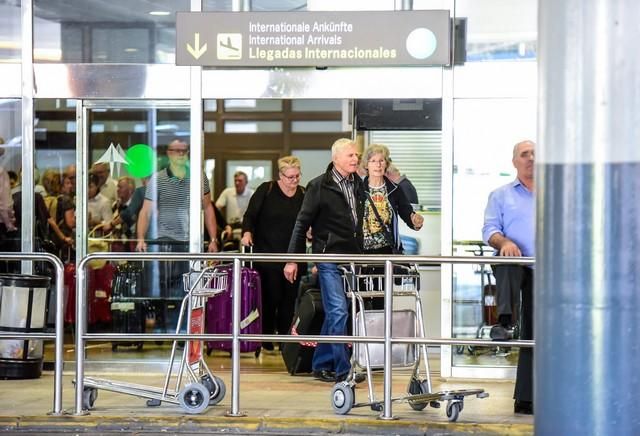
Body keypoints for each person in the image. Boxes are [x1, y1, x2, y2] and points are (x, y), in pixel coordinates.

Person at [284, 138, 365, 383]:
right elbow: (301, 224)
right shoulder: (318, 186)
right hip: (328, 256)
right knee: (339, 311)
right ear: (336, 158)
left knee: (336, 313)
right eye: (350, 155)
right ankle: (343, 370)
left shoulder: (358, 184)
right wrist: (292, 259)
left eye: (356, 155)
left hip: (352, 257)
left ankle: (320, 363)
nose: (355, 159)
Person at [482, 139, 535, 415]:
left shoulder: (554, 193)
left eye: (535, 154)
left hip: (546, 268)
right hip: (514, 265)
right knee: (508, 260)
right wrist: (503, 242)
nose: (531, 159)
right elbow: (490, 230)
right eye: (525, 154)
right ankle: (504, 322)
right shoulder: (501, 195)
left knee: (536, 331)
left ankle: (527, 400)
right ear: (515, 161)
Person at [136, 139, 219, 298]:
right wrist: (140, 239)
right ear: (169, 154)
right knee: (166, 287)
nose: (181, 154)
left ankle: (187, 319)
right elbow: (146, 211)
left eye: (184, 150)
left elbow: (208, 208)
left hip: (192, 241)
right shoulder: (158, 178)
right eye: (177, 150)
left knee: (190, 287)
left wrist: (213, 239)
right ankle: (168, 318)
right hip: (165, 241)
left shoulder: (198, 176)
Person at [241, 156, 306, 351]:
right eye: (290, 177)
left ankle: (286, 338)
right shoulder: (267, 189)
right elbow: (250, 214)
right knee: (270, 297)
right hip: (267, 253)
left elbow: (310, 219)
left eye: (297, 176)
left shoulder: (303, 194)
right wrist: (247, 232)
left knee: (289, 299)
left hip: (293, 254)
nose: (294, 180)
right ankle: (267, 335)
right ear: (280, 175)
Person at [361, 144, 423, 255]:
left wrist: (415, 220)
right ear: (366, 165)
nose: (378, 165)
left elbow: (407, 213)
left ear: (386, 164)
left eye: (381, 161)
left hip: (388, 251)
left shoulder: (395, 189)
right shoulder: (358, 189)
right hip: (361, 251)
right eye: (373, 161)